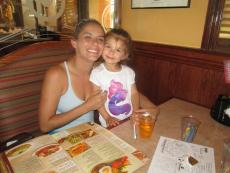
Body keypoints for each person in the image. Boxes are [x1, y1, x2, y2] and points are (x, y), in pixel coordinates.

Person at [39, 19, 107, 133]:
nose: (95, 43)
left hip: (90, 137)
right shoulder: (57, 75)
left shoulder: (99, 71)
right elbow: (44, 125)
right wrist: (87, 106)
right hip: (60, 141)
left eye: (100, 39)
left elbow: (129, 87)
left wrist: (148, 108)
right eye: (88, 37)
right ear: (74, 43)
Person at [89, 28, 140, 128]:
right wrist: (107, 117)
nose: (112, 52)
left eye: (118, 50)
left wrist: (135, 112)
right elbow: (96, 99)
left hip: (129, 120)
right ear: (102, 47)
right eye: (108, 46)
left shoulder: (129, 72)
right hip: (109, 122)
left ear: (124, 55)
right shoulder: (96, 73)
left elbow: (134, 94)